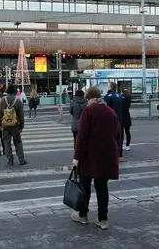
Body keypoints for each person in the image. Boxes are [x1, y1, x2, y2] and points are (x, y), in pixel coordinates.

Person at [71, 86, 120, 230]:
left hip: (89, 155)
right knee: (102, 187)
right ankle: (102, 219)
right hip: (107, 155)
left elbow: (82, 137)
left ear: (88, 98)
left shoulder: (88, 111)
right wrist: (117, 154)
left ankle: (83, 215)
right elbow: (118, 134)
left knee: (85, 186)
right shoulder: (110, 111)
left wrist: (77, 157)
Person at [0, 85, 27, 166]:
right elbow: (21, 115)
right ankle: (21, 159)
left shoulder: (3, 100)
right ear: (15, 92)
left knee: (6, 142)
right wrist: (22, 126)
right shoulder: (18, 101)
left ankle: (10, 160)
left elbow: (0, 112)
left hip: (5, 126)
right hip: (15, 126)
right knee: (18, 142)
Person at [104, 82, 125, 162]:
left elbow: (106, 109)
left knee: (111, 138)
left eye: (108, 86)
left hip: (111, 120)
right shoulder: (120, 96)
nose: (107, 87)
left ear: (111, 87)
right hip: (120, 119)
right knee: (120, 137)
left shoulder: (108, 96)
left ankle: (112, 155)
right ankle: (120, 155)